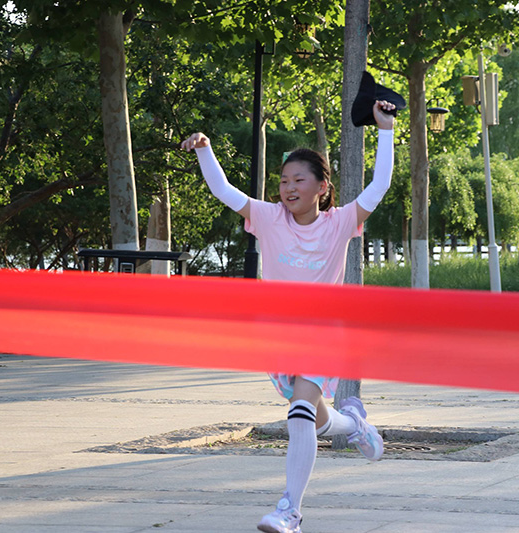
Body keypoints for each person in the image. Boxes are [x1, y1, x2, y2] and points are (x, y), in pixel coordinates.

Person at [181, 99, 396, 533]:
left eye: (298, 180)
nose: (288, 188)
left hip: (324, 334)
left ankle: (289, 512)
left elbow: (378, 187)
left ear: (322, 187)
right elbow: (225, 191)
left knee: (299, 413)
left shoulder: (340, 223)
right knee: (314, 416)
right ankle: (353, 423)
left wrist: (386, 131)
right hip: (279, 336)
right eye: (283, 181)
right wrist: (205, 149)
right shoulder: (268, 217)